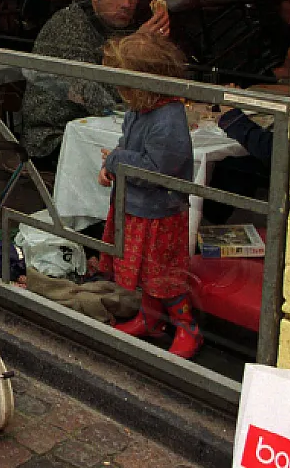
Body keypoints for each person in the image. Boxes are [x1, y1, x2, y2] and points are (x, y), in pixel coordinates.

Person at [97, 33, 202, 359]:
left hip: (159, 212)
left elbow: (157, 169)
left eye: (124, 86)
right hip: (136, 206)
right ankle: (150, 319)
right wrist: (113, 165)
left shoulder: (167, 118)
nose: (120, 93)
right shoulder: (139, 110)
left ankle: (187, 327)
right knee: (145, 271)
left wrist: (115, 161)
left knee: (164, 276)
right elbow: (131, 151)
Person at [19, 0, 171, 170]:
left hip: (105, 129)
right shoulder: (69, 26)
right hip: (54, 138)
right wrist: (135, 48)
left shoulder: (123, 25)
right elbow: (102, 97)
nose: (127, 4)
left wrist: (155, 50)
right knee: (149, 160)